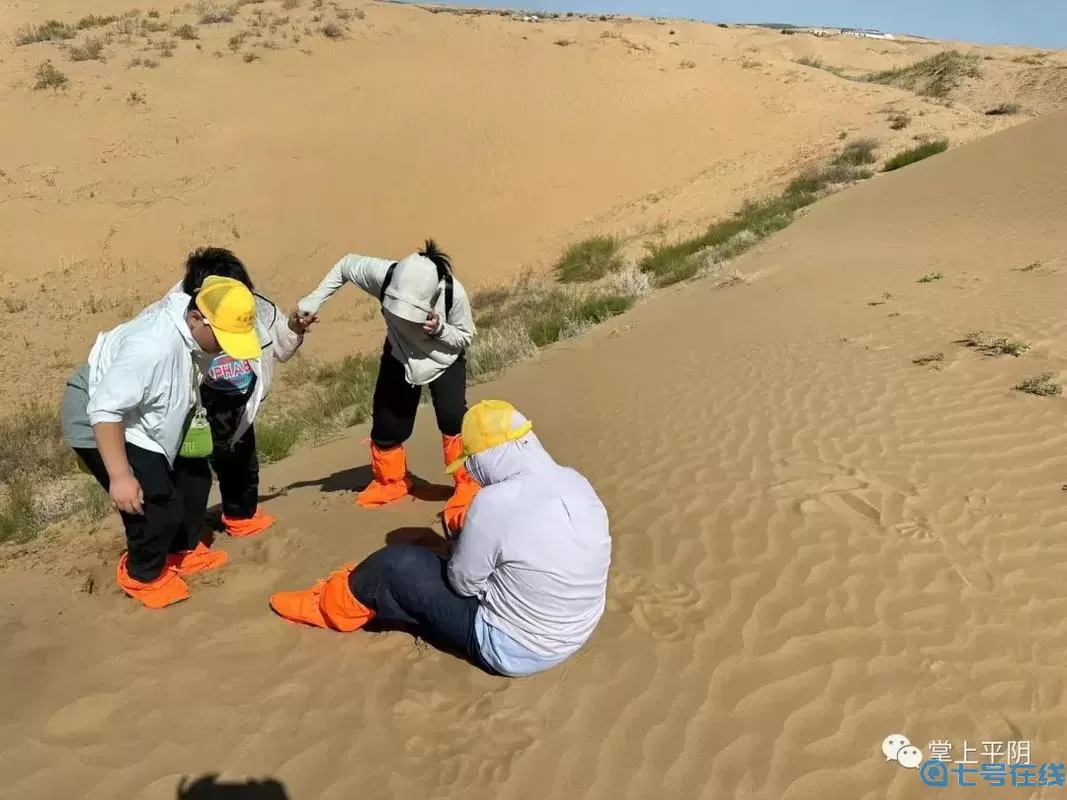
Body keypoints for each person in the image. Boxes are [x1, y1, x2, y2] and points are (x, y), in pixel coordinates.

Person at [268, 400, 613, 677]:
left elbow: (462, 584)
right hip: (577, 632)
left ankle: (328, 606)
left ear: (488, 455)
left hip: (513, 648)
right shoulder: (575, 481)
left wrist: (462, 544)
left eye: (472, 462)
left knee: (394, 564)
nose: (472, 472)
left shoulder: (495, 502)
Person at [60, 276, 262, 609]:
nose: (226, 348)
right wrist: (121, 477)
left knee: (194, 478)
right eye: (222, 338)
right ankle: (142, 574)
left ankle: (179, 550)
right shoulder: (153, 347)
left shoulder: (195, 324)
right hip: (101, 415)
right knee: (156, 503)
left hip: (149, 412)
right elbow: (105, 409)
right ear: (196, 318)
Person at [295, 239, 478, 534]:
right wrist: (314, 300)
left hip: (443, 359)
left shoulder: (452, 294)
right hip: (400, 355)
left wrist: (441, 329)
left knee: (452, 418)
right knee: (388, 421)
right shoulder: (385, 275)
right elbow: (346, 263)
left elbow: (465, 337)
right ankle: (390, 481)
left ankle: (467, 483)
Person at [161, 247, 317, 538]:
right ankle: (183, 540)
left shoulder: (256, 307)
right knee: (189, 475)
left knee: (242, 465)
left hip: (238, 404)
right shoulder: (173, 316)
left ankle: (241, 516)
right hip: (194, 409)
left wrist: (295, 327)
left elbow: (280, 344)